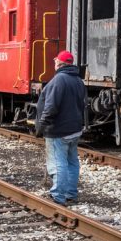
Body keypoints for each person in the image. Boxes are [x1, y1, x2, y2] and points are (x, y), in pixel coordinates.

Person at [36, 50, 85, 206]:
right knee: (72, 162)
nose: (54, 63)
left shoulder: (59, 80)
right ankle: (71, 193)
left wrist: (41, 126)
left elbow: (50, 107)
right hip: (75, 128)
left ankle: (58, 195)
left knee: (58, 163)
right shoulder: (78, 80)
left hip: (58, 130)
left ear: (60, 63)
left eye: (56, 60)